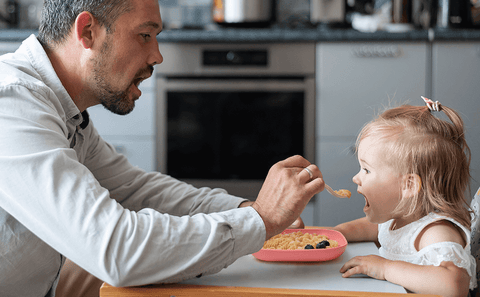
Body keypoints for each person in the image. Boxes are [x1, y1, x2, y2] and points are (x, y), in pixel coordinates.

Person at [0, 0, 324, 296]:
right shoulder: (12, 105)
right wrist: (260, 220)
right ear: (88, 32)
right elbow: (117, 250)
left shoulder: (66, 112)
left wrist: (242, 210)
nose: (157, 55)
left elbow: (139, 190)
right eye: (144, 35)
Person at [332, 97, 476, 297]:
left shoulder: (434, 231)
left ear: (408, 185)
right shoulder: (397, 219)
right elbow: (372, 227)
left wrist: (385, 269)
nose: (356, 178)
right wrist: (335, 233)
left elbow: (454, 285)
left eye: (366, 170)